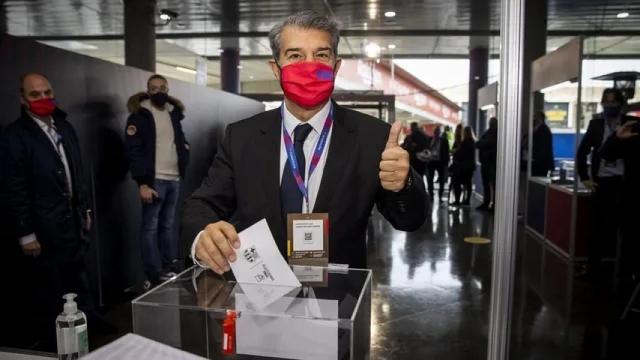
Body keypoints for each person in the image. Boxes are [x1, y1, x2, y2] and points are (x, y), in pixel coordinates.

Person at [183, 10, 428, 273]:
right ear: (275, 69)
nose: (308, 66)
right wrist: (203, 237)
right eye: (295, 56)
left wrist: (403, 185)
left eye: (321, 55)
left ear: (335, 66)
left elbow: (410, 220)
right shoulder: (242, 137)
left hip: (340, 299)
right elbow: (202, 204)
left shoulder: (373, 136)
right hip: (260, 291)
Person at [3, 73, 93, 350]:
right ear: (23, 98)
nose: (43, 99)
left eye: (47, 92)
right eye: (35, 94)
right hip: (43, 224)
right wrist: (25, 233)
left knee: (76, 277)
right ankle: (51, 343)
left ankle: (86, 331)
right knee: (47, 285)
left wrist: (85, 208)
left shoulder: (64, 127)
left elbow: (78, 170)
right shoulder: (15, 136)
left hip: (72, 219)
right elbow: (14, 187)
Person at [125, 74, 190, 288]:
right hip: (154, 180)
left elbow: (179, 143)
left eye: (163, 87)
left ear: (168, 89)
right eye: (154, 88)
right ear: (147, 90)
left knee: (168, 225)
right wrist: (142, 183)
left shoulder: (173, 114)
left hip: (173, 178)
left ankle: (169, 267)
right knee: (150, 227)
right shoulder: (139, 115)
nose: (159, 91)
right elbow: (133, 151)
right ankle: (154, 273)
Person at [577, 88, 630, 278]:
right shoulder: (596, 125)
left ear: (620, 104)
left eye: (613, 102)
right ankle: (593, 268)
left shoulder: (630, 124)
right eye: (606, 103)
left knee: (624, 228)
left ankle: (624, 272)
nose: (609, 106)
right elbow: (582, 152)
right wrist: (584, 177)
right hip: (602, 182)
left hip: (624, 182)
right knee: (597, 227)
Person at [599, 94, 640, 293]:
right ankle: (625, 285)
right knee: (629, 246)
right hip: (633, 201)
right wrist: (616, 137)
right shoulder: (634, 129)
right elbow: (606, 154)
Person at [450, 126, 476, 206]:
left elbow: (460, 154)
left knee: (457, 183)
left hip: (463, 167)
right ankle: (467, 200)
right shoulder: (472, 142)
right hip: (470, 167)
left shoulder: (465, 142)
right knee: (468, 184)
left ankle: (458, 200)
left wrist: (455, 152)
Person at [476, 117, 498, 211]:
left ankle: (494, 205)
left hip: (493, 164)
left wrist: (484, 143)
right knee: (486, 185)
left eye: (492, 123)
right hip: (485, 163)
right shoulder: (487, 133)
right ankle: (486, 203)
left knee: (494, 185)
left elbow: (489, 143)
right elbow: (478, 144)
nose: (491, 124)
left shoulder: (497, 134)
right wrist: (485, 143)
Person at [425, 126, 450, 202]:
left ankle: (440, 196)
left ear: (440, 133)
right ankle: (431, 195)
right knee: (430, 179)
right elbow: (426, 149)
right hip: (431, 162)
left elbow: (446, 153)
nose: (437, 133)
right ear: (434, 132)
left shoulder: (444, 141)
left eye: (438, 131)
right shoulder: (430, 140)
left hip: (440, 162)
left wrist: (446, 164)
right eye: (436, 131)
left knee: (442, 180)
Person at [530, 111, 555, 177]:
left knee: (538, 177)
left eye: (535, 116)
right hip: (536, 160)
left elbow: (543, 147)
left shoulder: (544, 130)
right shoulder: (535, 128)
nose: (534, 118)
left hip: (541, 162)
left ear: (541, 118)